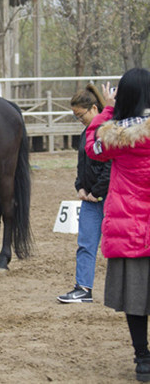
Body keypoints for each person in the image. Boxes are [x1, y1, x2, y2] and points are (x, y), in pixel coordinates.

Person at [84, 68, 150, 382]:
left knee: (135, 298)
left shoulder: (115, 135)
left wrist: (108, 109)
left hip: (130, 226)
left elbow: (91, 146)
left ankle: (143, 359)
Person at [57, 85, 111, 303]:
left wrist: (96, 192)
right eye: (75, 116)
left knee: (119, 244)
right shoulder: (86, 133)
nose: (79, 120)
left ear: (94, 108)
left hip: (110, 197)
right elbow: (82, 164)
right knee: (85, 243)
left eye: (81, 115)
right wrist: (80, 187)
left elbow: (110, 166)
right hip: (90, 198)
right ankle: (83, 288)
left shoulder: (109, 131)